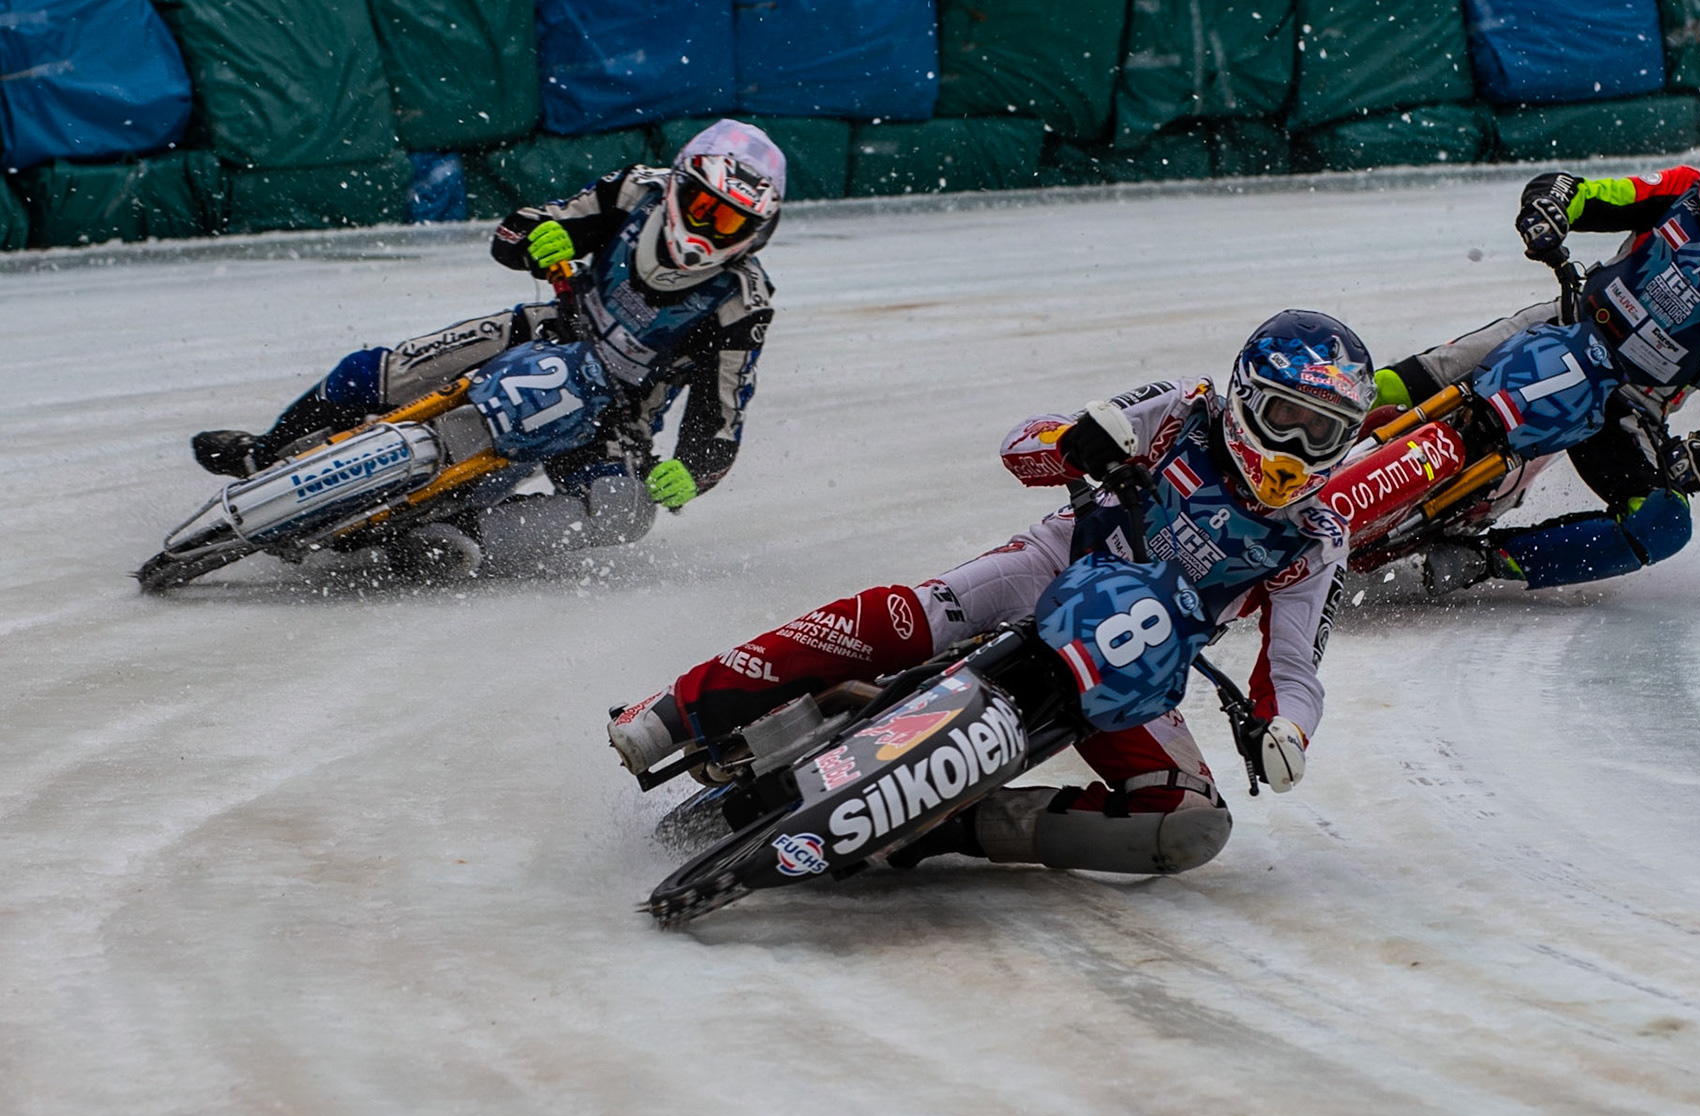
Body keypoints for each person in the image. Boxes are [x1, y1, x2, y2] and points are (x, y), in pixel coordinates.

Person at [608, 312, 1375, 875]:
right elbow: (1022, 444)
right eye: (1287, 418)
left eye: (1324, 432)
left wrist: (1285, 734)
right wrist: (1079, 441)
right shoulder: (1182, 408)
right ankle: (676, 709)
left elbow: (1297, 669)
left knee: (1189, 824)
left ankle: (947, 828)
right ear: (1246, 397)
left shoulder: (1315, 537)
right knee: (909, 616)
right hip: (1046, 573)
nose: (1299, 448)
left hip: (1135, 668)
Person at [190, 119, 784, 568]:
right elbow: (516, 228)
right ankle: (264, 453)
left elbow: (721, 415)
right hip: (547, 328)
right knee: (375, 371)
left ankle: (466, 539)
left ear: (755, 234)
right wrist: (537, 239)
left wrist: (692, 471)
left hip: (619, 413)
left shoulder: (742, 302)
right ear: (678, 185)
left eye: (728, 222)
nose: (706, 229)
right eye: (702, 206)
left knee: (625, 514)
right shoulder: (635, 192)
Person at [1372, 115, 1700, 593]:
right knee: (1407, 378)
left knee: (1663, 523)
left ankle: (1483, 562)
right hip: (1565, 323)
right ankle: (1321, 416)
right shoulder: (1679, 189)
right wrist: (1550, 206)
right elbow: (1587, 192)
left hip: (1627, 404)